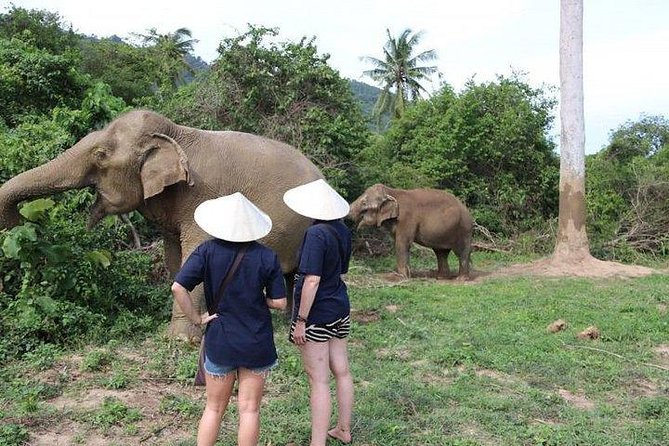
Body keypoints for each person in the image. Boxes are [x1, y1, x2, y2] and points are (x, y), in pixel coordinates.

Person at [171, 192, 287, 446]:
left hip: (220, 339)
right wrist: (259, 299)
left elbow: (178, 288)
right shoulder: (267, 256)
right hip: (256, 341)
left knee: (213, 409)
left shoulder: (207, 251)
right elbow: (280, 303)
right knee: (249, 410)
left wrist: (196, 318)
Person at [283, 179, 354, 446]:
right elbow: (340, 270)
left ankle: (317, 442)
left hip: (318, 312)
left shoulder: (315, 234)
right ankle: (343, 430)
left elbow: (311, 280)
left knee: (319, 380)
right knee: (342, 371)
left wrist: (301, 320)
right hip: (339, 305)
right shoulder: (342, 230)